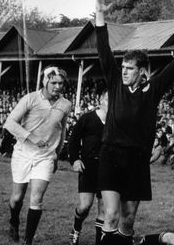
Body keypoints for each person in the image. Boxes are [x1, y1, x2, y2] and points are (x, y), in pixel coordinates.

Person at [95, 0, 174, 245]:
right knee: (110, 215)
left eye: (129, 69)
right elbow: (103, 51)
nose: (123, 72)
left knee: (128, 218)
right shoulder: (114, 84)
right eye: (122, 68)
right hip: (111, 154)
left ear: (141, 71)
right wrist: (100, 14)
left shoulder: (152, 89)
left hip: (136, 160)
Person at [4, 66, 73, 244]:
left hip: (46, 156)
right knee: (17, 197)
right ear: (45, 81)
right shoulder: (31, 98)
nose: (57, 86)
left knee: (37, 198)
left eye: (61, 83)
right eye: (54, 82)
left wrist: (56, 155)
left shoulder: (65, 104)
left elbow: (62, 131)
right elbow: (10, 123)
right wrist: (31, 137)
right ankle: (14, 220)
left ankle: (28, 241)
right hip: (23, 153)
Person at [67, 94, 108, 245]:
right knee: (85, 206)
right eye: (108, 99)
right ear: (100, 101)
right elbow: (74, 140)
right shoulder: (87, 118)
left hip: (107, 168)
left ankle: (99, 241)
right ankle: (76, 229)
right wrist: (75, 159)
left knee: (103, 208)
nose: (111, 103)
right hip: (88, 166)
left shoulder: (116, 121)